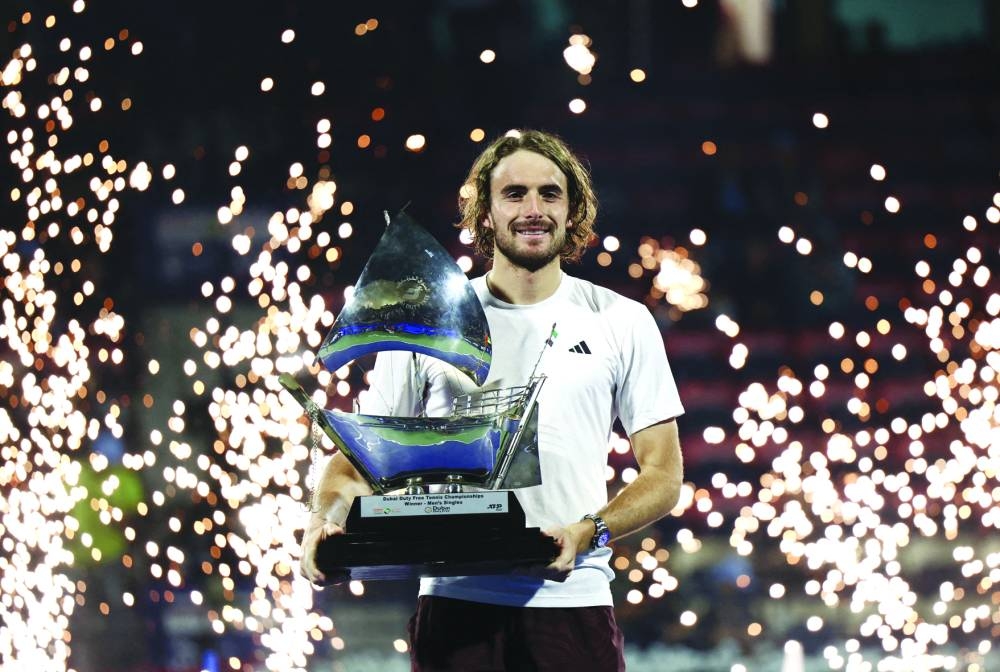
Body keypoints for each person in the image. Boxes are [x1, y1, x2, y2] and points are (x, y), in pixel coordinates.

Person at [300, 129, 685, 671]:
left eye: (550, 194)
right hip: (456, 606)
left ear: (572, 211)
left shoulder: (620, 320)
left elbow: (664, 476)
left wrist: (586, 532)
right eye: (514, 194)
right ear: (483, 213)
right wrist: (323, 522)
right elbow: (358, 459)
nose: (534, 209)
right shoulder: (425, 320)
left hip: (573, 605)